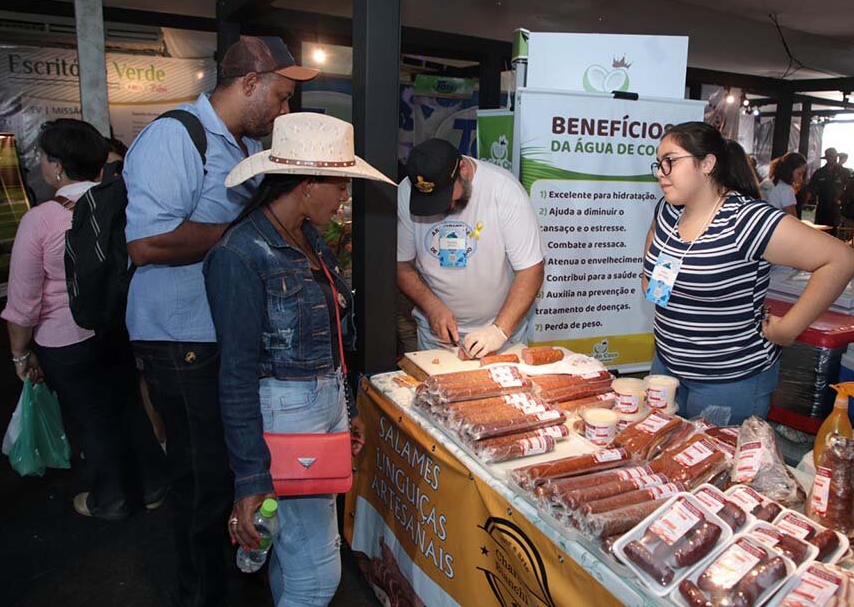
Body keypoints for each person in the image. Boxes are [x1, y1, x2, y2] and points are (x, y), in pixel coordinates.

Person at [124, 36, 317, 607]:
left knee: (225, 477)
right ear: (248, 83)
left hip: (211, 332)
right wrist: (245, 240)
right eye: (280, 98)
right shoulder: (175, 135)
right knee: (202, 482)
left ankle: (224, 584)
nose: (282, 112)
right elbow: (147, 242)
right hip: (178, 338)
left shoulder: (233, 146)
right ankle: (200, 594)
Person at [205, 113, 393, 606]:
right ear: (308, 184)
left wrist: (345, 407)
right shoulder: (241, 254)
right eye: (341, 184)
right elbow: (237, 375)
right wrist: (250, 478)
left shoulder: (304, 236)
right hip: (285, 420)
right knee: (317, 576)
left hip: (317, 412)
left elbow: (329, 339)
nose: (345, 196)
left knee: (297, 559)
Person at [2, 118, 166, 520]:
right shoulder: (126, 207)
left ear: (56, 165)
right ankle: (153, 486)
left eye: (43, 157)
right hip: (121, 328)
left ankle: (110, 499)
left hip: (66, 340)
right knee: (128, 406)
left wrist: (20, 354)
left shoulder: (40, 220)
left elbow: (24, 300)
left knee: (92, 419)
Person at [642, 122, 854, 424]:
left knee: (718, 465)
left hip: (727, 379)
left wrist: (788, 329)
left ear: (707, 164)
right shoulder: (668, 209)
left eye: (671, 161)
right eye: (658, 163)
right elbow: (657, 252)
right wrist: (654, 281)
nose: (660, 172)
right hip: (667, 365)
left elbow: (841, 259)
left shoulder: (747, 220)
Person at [397, 138, 545, 358]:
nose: (445, 207)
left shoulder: (504, 190)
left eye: (447, 196)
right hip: (437, 339)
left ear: (463, 169)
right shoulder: (406, 192)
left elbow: (531, 269)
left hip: (499, 335)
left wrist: (499, 330)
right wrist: (431, 306)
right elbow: (401, 266)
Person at [804, 148, 846, 227]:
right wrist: (807, 203)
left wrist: (842, 201)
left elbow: (848, 189)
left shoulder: (844, 172)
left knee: (834, 231)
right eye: (830, 157)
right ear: (826, 158)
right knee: (821, 230)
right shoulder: (819, 172)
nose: (832, 159)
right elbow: (811, 188)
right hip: (821, 207)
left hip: (836, 208)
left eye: (834, 157)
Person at [765, 152, 807, 216]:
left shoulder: (766, 182)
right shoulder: (786, 189)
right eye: (799, 173)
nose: (801, 178)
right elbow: (792, 219)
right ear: (790, 170)